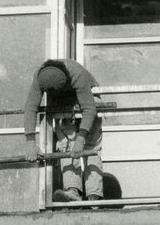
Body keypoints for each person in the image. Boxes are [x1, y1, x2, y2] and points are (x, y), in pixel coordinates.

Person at [23, 58, 103, 204]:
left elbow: (89, 108)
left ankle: (94, 197)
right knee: (65, 145)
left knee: (90, 147)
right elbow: (30, 108)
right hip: (64, 104)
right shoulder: (39, 77)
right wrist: (30, 143)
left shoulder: (77, 74)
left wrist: (81, 139)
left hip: (88, 98)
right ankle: (72, 192)